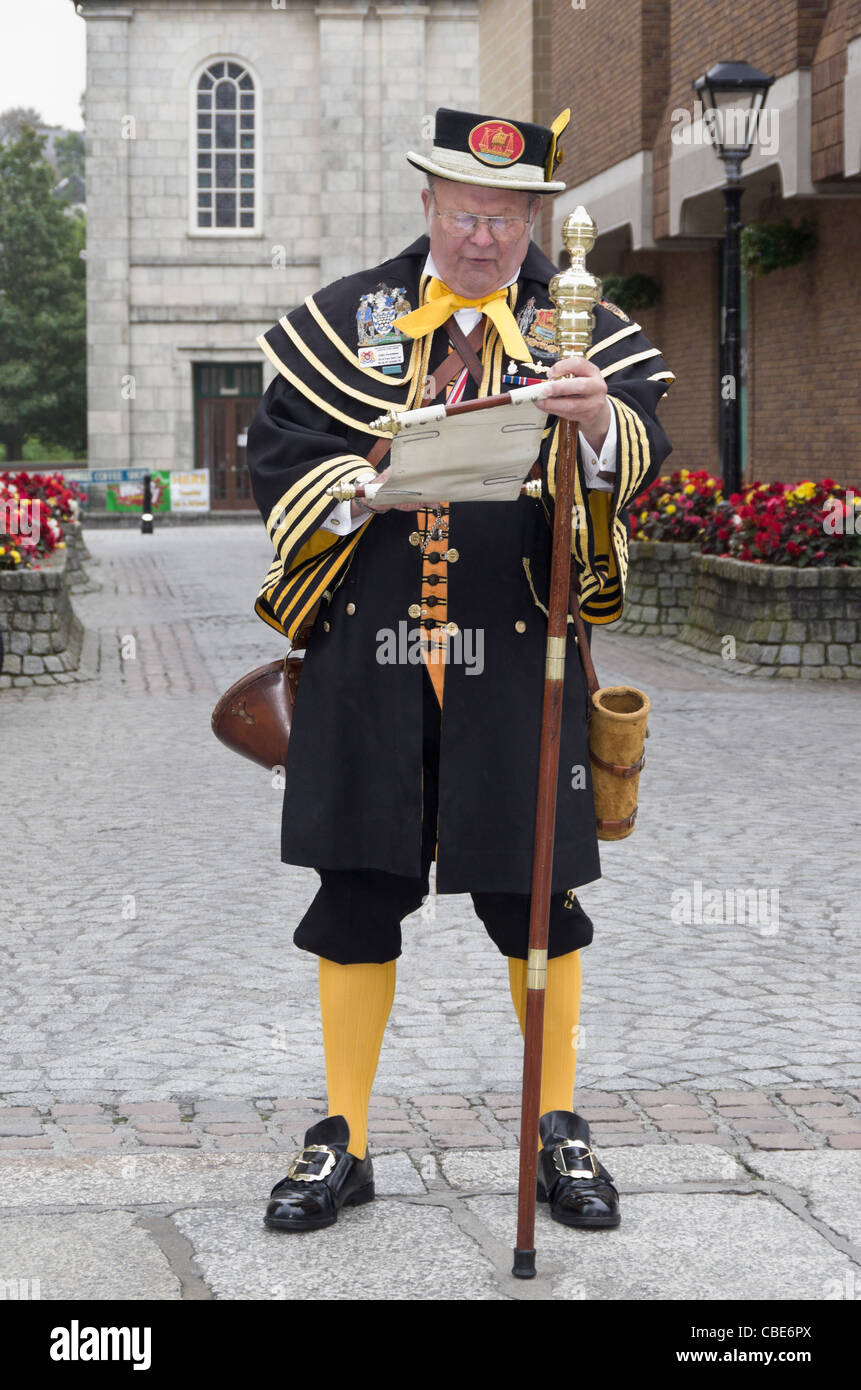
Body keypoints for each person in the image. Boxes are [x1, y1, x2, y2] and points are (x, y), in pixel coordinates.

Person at [245, 106, 674, 1235]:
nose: (486, 237)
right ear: (430, 205)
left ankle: (559, 1127)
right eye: (467, 212)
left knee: (536, 897)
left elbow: (639, 450)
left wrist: (590, 427)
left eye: (507, 215)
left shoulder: (577, 324)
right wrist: (369, 474)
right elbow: (281, 452)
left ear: (536, 217)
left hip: (519, 656)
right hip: (370, 660)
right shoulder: (348, 320)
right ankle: (343, 1137)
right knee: (354, 890)